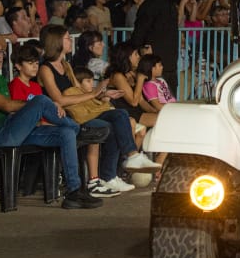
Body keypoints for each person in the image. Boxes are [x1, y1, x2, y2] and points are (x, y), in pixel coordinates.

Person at [0, 36, 100, 209]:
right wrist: (40, 106)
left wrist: (39, 110)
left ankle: (74, 192)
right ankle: (79, 128)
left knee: (66, 133)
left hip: (11, 129)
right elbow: (6, 106)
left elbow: (13, 111)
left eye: (0, 52)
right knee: (41, 100)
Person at [34, 25, 157, 197]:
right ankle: (104, 177)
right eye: (67, 38)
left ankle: (131, 157)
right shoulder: (46, 68)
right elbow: (59, 99)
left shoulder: (65, 65)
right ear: (57, 42)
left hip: (82, 109)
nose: (70, 41)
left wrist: (102, 95)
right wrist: (94, 92)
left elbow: (80, 93)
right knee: (109, 126)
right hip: (65, 115)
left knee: (120, 115)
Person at [130, 0, 183, 85]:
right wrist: (142, 49)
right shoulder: (150, 5)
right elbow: (138, 33)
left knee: (170, 101)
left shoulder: (172, 5)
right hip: (153, 67)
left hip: (170, 66)